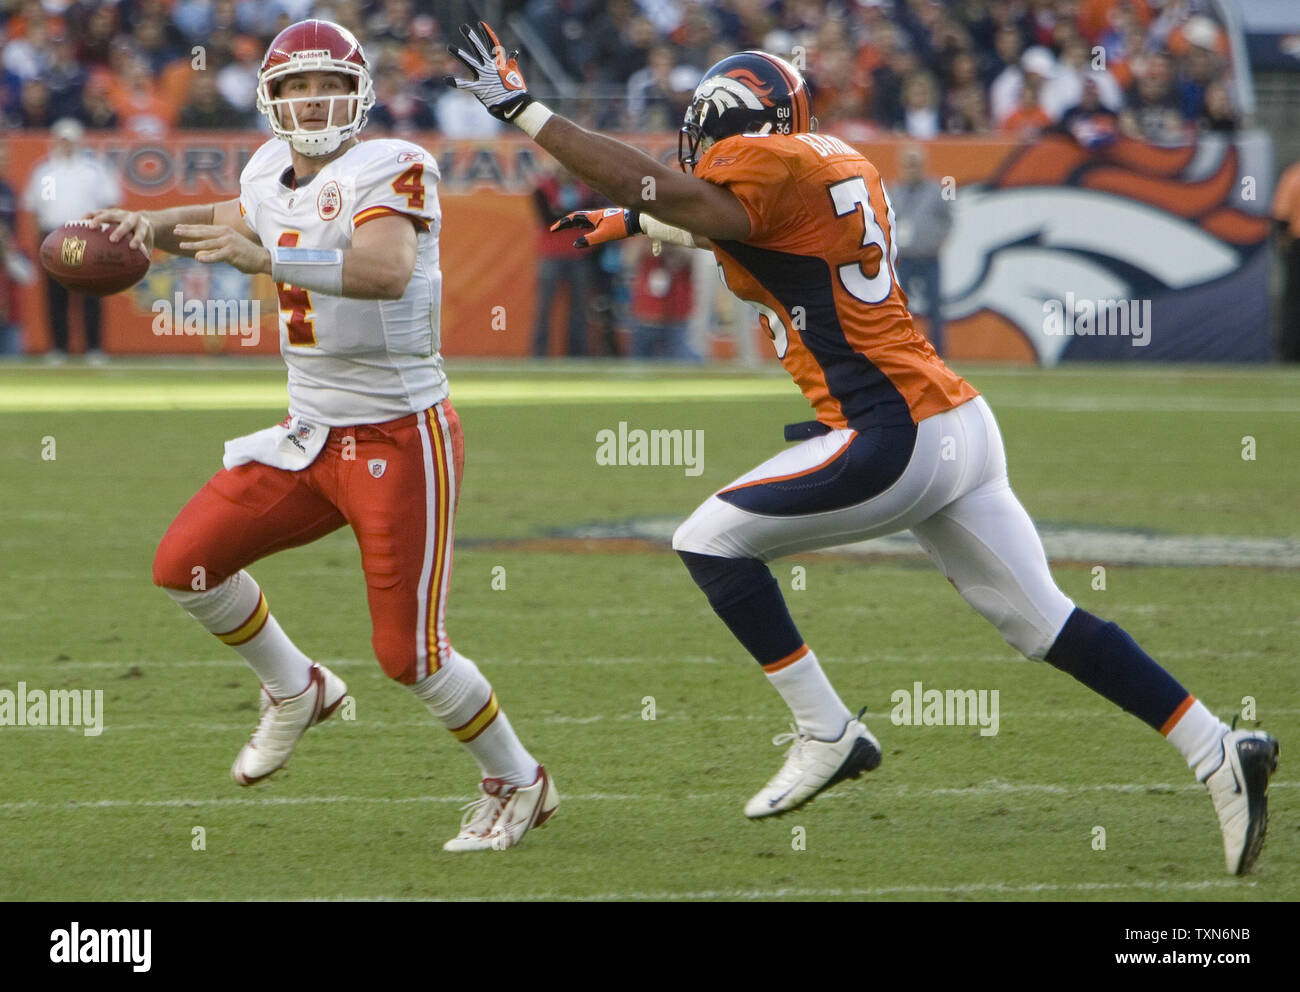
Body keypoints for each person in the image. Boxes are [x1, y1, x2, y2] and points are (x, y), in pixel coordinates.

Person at [447, 22, 1278, 874]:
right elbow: (729, 226)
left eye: (710, 123)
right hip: (958, 425)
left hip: (893, 434)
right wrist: (634, 221)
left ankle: (827, 729)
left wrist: (525, 110)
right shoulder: (830, 164)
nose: (698, 142)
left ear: (745, 124)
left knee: (707, 538)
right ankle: (1219, 748)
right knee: (1046, 624)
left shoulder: (764, 166)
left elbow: (676, 191)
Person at [88, 19, 556, 852]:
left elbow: (385, 270)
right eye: (296, 86)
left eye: (327, 85)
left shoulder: (395, 165)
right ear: (272, 99)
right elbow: (230, 213)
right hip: (309, 434)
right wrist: (143, 226)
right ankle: (296, 687)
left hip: (398, 436)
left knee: (409, 656)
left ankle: (518, 780)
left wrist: (266, 260)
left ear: (358, 93)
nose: (312, 101)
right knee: (186, 566)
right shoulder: (268, 167)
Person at [22, 117, 120, 364]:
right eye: (62, 140)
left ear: (78, 141)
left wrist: (105, 237)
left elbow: (108, 203)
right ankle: (59, 347)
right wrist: (40, 241)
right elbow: (40, 208)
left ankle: (94, 348)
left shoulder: (93, 169)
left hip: (88, 235)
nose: (66, 145)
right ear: (56, 141)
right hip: (55, 235)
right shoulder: (46, 171)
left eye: (70, 140)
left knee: (91, 294)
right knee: (56, 295)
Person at [890, 145, 951, 356]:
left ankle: (939, 353)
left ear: (923, 165)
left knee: (934, 308)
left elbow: (948, 220)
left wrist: (939, 242)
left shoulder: (936, 190)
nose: (912, 168)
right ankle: (901, 349)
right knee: (899, 308)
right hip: (903, 259)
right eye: (908, 163)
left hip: (929, 257)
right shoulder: (894, 190)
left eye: (915, 163)